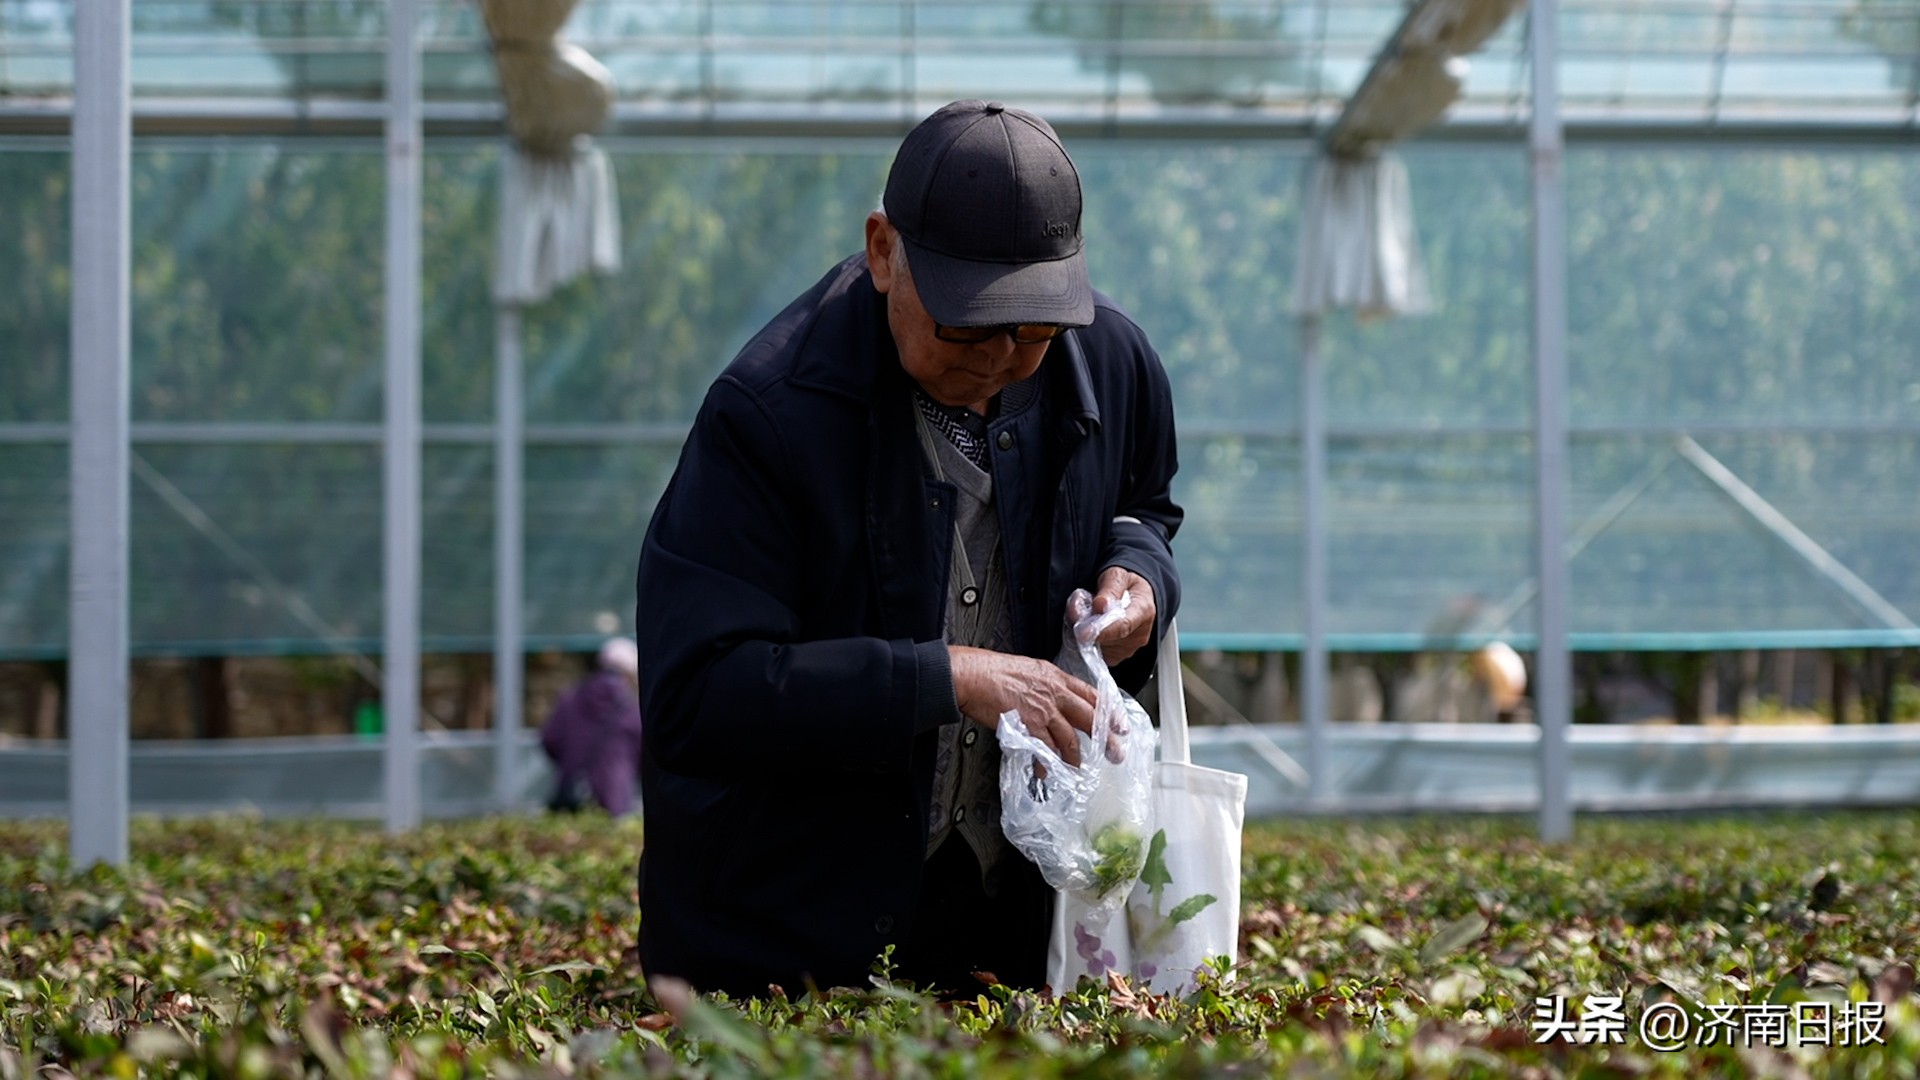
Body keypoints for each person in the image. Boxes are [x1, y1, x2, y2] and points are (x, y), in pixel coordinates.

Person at [634, 100, 1181, 997]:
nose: (1001, 356)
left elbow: (1146, 507)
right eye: (969, 325)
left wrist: (1142, 577)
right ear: (885, 251)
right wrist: (949, 677)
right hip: (790, 943)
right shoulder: (769, 412)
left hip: (1011, 939)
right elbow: (700, 693)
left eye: (1033, 328)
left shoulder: (1110, 360)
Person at [539, 636, 644, 816]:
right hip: (615, 796)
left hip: (573, 793)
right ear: (629, 672)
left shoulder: (571, 697)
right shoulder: (631, 707)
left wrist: (570, 761)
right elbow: (645, 751)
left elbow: (550, 738)